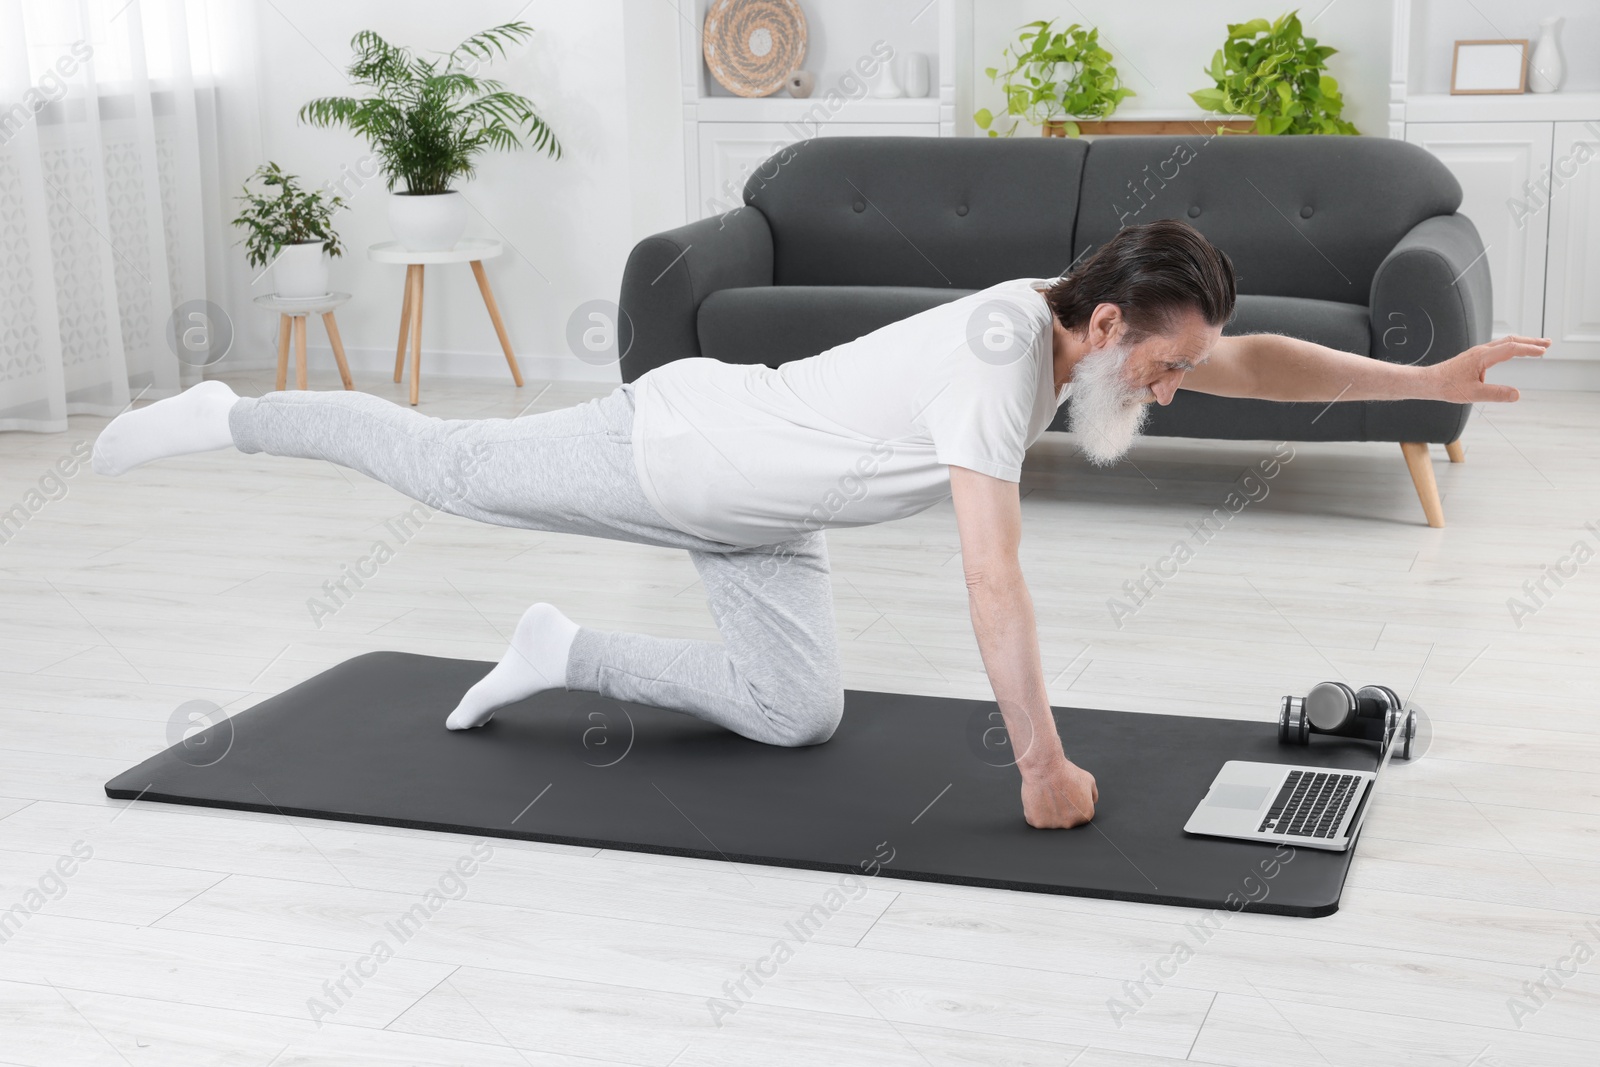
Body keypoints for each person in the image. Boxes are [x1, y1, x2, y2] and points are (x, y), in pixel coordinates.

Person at [92, 219, 1547, 830]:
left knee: (794, 714)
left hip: (766, 513)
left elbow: (1262, 358)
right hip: (675, 453)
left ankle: (561, 648)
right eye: (1160, 369)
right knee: (448, 468)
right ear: (1107, 323)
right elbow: (995, 580)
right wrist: (1042, 763)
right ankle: (233, 412)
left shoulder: (1074, 334)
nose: (1167, 392)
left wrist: (1421, 376)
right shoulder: (998, 365)